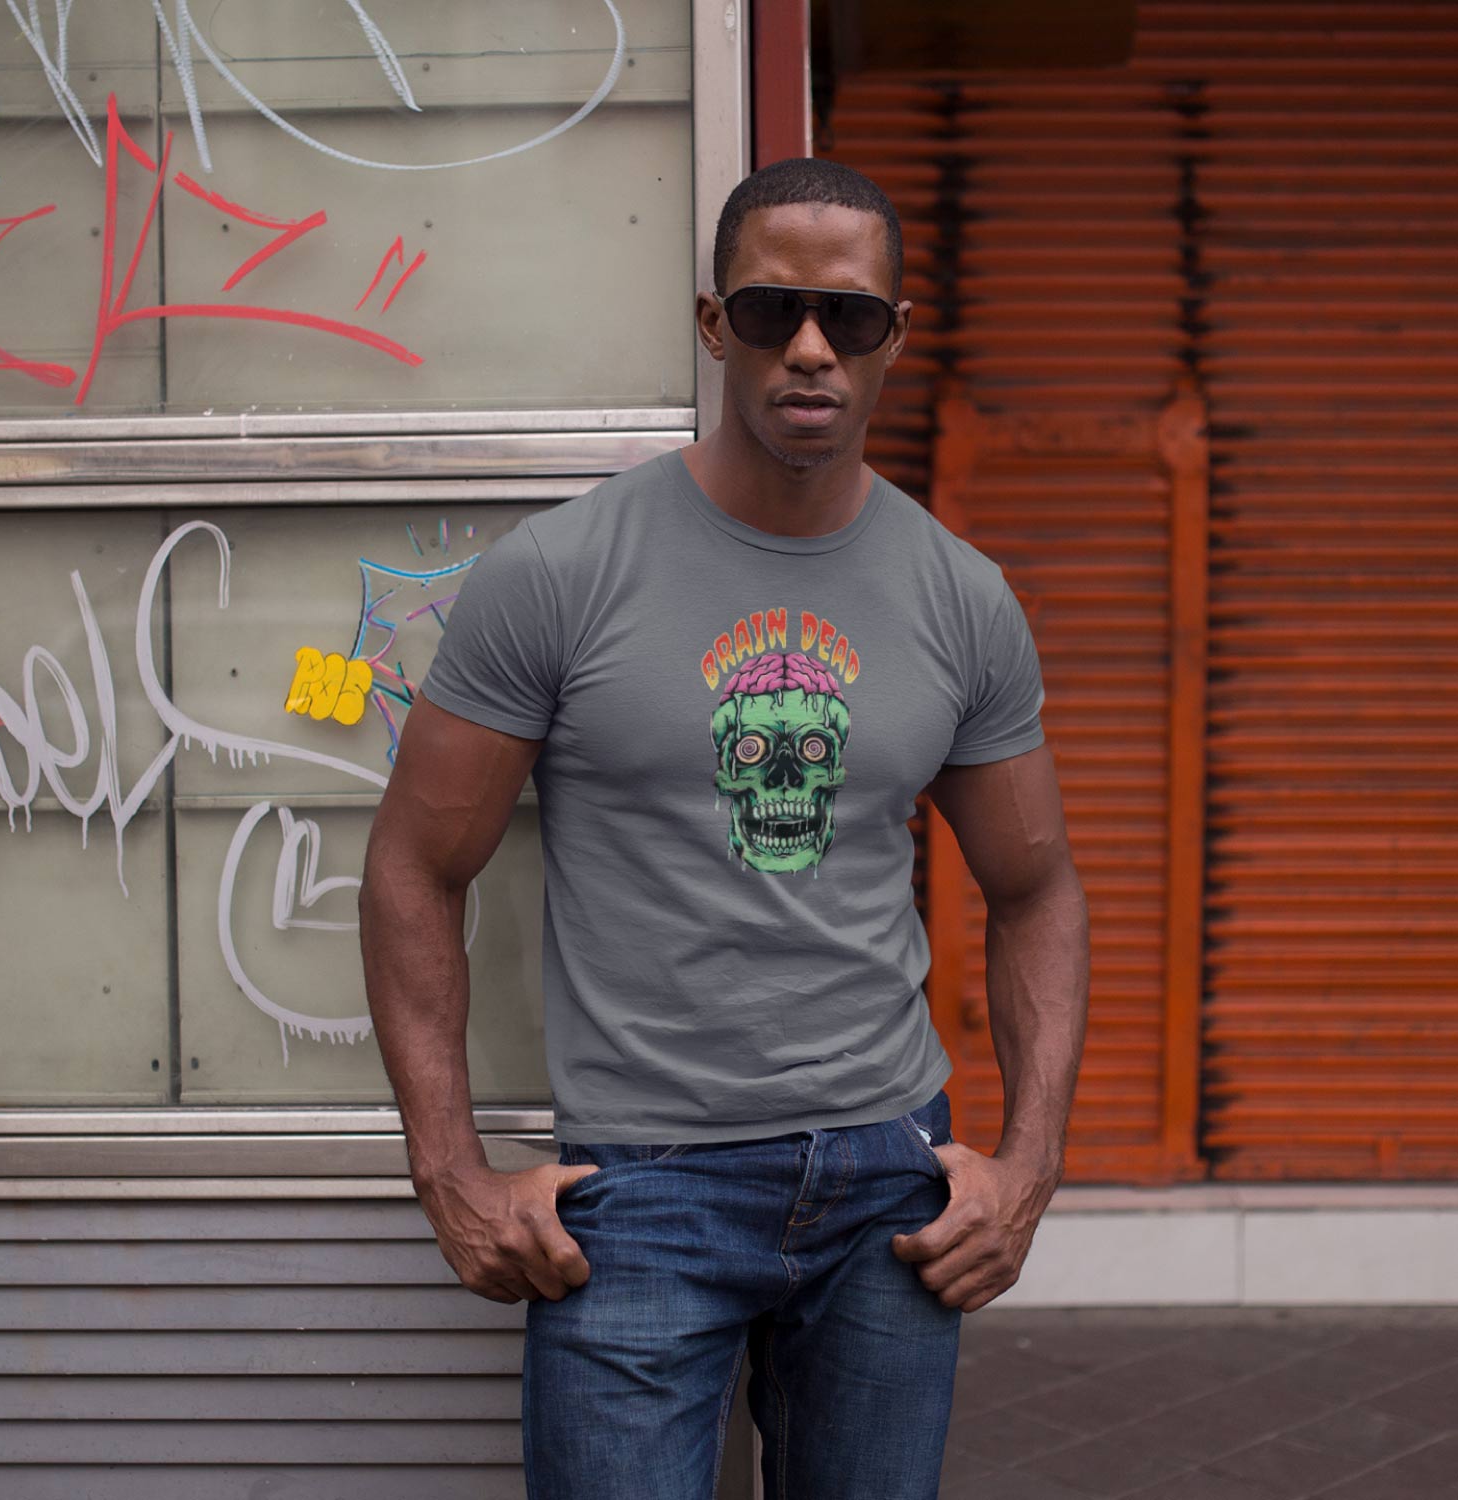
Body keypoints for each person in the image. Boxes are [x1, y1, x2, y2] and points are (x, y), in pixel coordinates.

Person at [359, 156, 1089, 1500]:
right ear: (714, 324)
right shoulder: (561, 574)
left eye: (847, 317)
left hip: (889, 1178)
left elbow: (1035, 890)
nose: (809, 348)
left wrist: (1029, 1168)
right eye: (769, 311)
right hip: (641, 1189)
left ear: (893, 336)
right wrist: (450, 1173)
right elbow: (413, 865)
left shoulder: (960, 597)